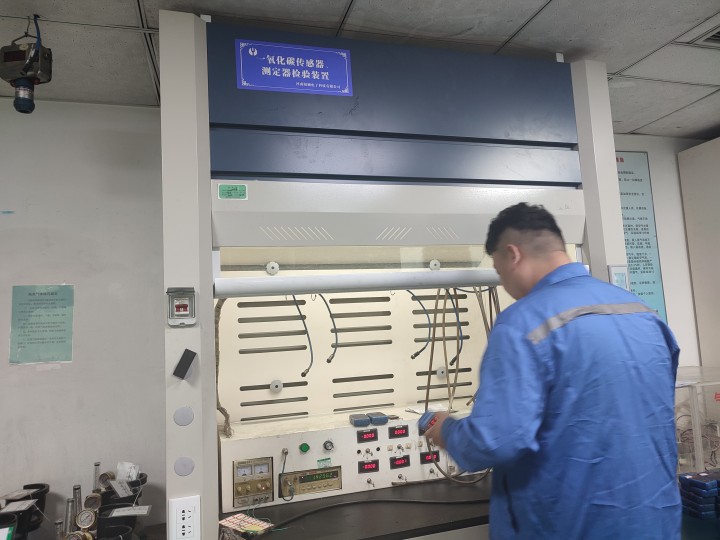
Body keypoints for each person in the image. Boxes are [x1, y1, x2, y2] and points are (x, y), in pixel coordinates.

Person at [425, 202, 680, 539]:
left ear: (512, 254)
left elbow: (494, 442)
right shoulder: (643, 313)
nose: (504, 284)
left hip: (569, 525)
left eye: (499, 272)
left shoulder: (523, 323)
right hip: (654, 521)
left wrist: (444, 429)